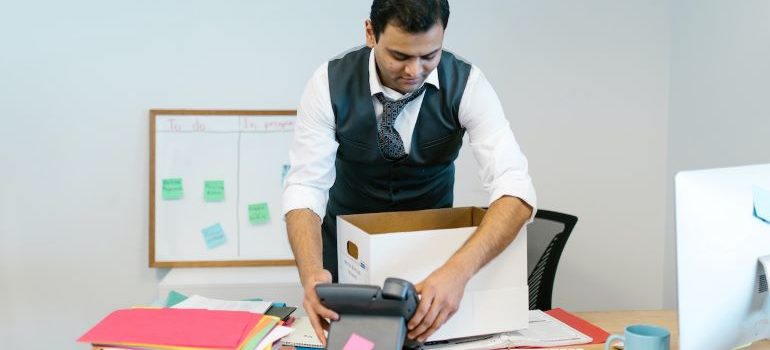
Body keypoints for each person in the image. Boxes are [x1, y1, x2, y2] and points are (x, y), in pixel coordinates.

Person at [282, 0, 536, 344]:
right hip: (346, 267)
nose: (415, 71)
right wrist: (311, 274)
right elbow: (305, 187)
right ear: (371, 33)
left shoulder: (468, 85)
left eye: (430, 55)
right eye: (400, 56)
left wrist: (458, 273)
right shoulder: (327, 84)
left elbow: (516, 190)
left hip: (434, 272)